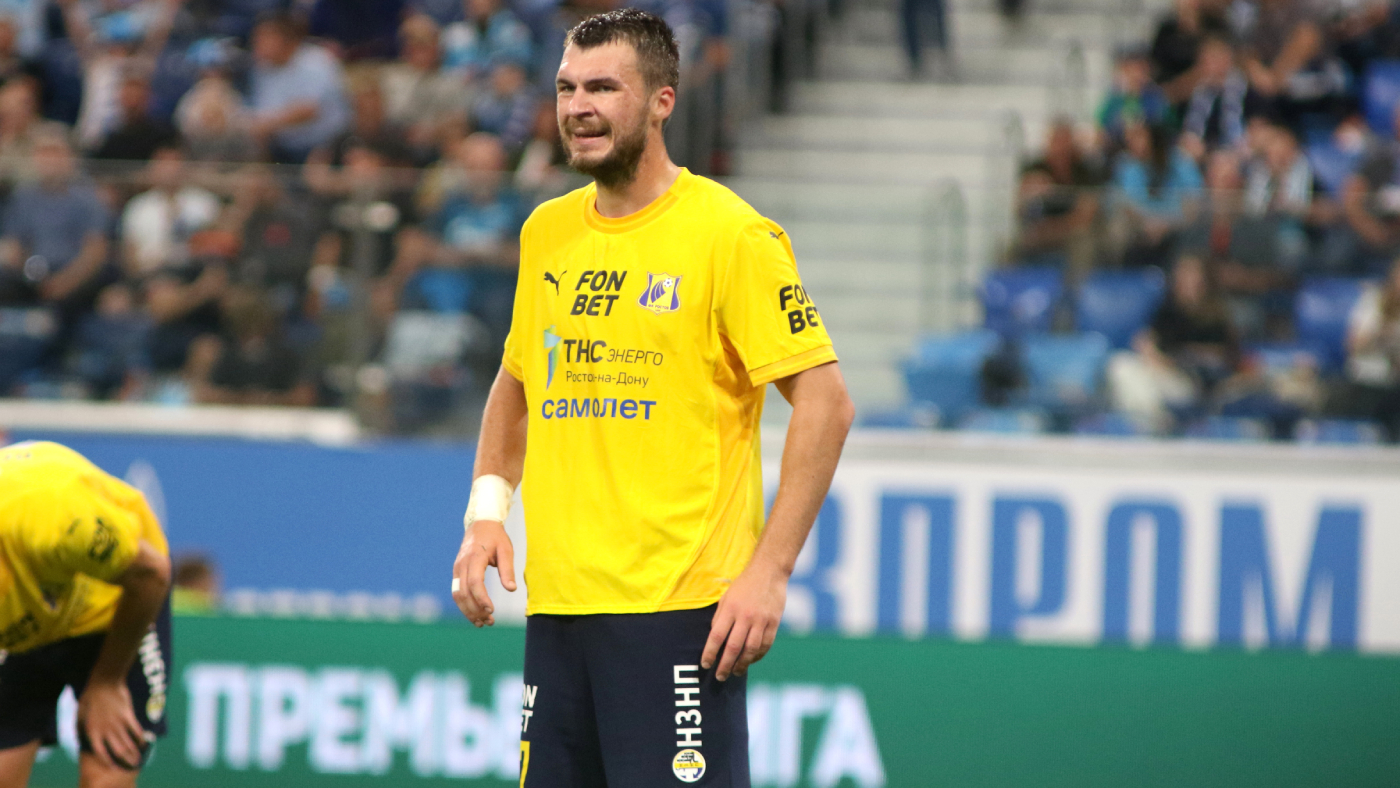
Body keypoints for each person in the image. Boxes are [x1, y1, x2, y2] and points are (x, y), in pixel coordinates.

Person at [449, 10, 853, 786]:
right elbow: (517, 384)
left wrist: (769, 572)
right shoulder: (546, 232)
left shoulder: (730, 235)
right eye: (566, 88)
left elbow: (827, 404)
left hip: (678, 611)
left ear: (663, 101)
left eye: (603, 87)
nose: (578, 107)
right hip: (560, 609)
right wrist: (486, 515)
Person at [0, 440, 172, 788]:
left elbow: (151, 574)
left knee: (104, 776)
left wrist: (108, 681)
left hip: (115, 605)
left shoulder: (55, 520)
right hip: (27, 621)